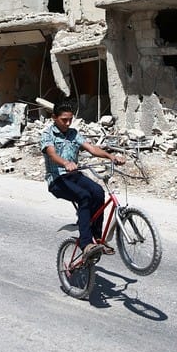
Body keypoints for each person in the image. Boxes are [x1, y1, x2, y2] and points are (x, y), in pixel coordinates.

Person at [41, 101, 124, 260]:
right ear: (54, 117)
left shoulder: (73, 133)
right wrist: (65, 163)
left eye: (70, 119)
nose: (68, 123)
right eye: (64, 120)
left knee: (98, 192)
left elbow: (92, 149)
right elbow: (52, 154)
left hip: (74, 175)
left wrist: (111, 156)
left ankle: (97, 239)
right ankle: (86, 244)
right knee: (84, 196)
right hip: (57, 179)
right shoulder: (47, 134)